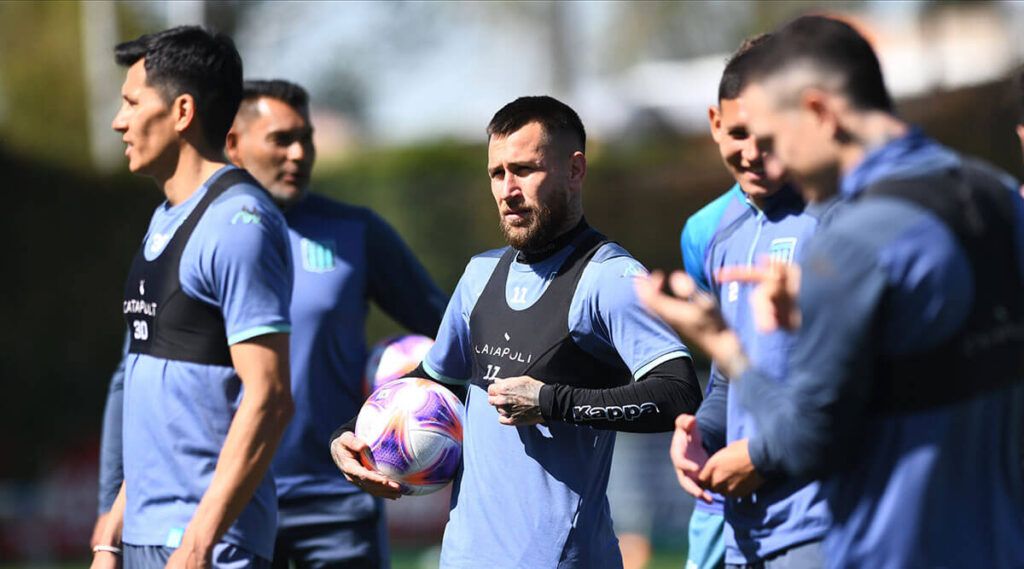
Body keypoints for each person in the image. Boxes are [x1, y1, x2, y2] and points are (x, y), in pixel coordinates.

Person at [638, 15, 1024, 569]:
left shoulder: (854, 240)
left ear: (818, 112)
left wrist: (726, 348)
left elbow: (807, 439)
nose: (775, 161)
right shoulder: (1000, 196)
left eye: (776, 138)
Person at [331, 95, 703, 568]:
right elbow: (431, 381)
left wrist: (550, 402)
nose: (508, 189)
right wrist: (352, 437)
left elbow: (678, 394)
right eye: (496, 173)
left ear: (574, 170)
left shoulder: (610, 278)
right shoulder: (479, 276)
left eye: (524, 170)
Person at [91, 27, 295, 569]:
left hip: (208, 547)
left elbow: (270, 398)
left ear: (182, 112)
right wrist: (111, 533)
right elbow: (158, 400)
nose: (119, 121)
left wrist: (199, 542)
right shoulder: (162, 220)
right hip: (145, 536)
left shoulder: (238, 224)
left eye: (132, 103)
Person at [226, 79, 447, 568]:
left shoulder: (354, 231)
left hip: (337, 501)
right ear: (233, 144)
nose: (300, 153)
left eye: (307, 137)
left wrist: (405, 394)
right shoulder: (203, 237)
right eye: (282, 139)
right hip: (229, 499)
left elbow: (452, 330)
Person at [679, 34, 833, 569]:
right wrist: (702, 432)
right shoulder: (716, 231)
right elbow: (730, 375)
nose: (751, 153)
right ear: (715, 123)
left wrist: (765, 456)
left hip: (827, 523)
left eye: (768, 136)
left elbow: (868, 375)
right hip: (744, 529)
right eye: (738, 133)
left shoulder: (841, 217)